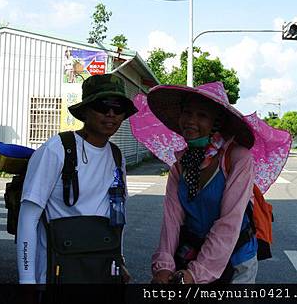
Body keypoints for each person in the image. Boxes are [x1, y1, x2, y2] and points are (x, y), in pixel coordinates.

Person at [16, 73, 137, 284]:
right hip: (57, 273)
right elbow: (28, 217)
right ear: (86, 110)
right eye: (102, 105)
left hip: (102, 271)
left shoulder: (117, 157)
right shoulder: (57, 149)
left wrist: (119, 260)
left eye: (118, 109)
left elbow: (116, 218)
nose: (111, 114)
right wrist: (27, 282)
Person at [149, 81, 259, 284]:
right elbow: (171, 221)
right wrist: (164, 265)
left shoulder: (237, 158)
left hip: (236, 261)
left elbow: (229, 222)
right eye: (187, 113)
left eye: (202, 115)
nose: (191, 121)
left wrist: (196, 273)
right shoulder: (180, 165)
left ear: (217, 123)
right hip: (191, 254)